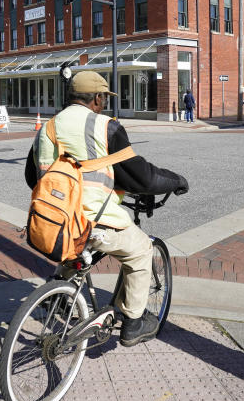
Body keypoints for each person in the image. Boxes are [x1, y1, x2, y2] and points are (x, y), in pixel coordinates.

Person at [24, 71, 189, 347]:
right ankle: (134, 322)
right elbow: (141, 177)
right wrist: (176, 181)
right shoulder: (105, 126)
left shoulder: (47, 127)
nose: (104, 104)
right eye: (104, 98)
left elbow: (32, 177)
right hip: (95, 220)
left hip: (54, 221)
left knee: (79, 248)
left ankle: (60, 295)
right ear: (98, 98)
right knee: (140, 250)